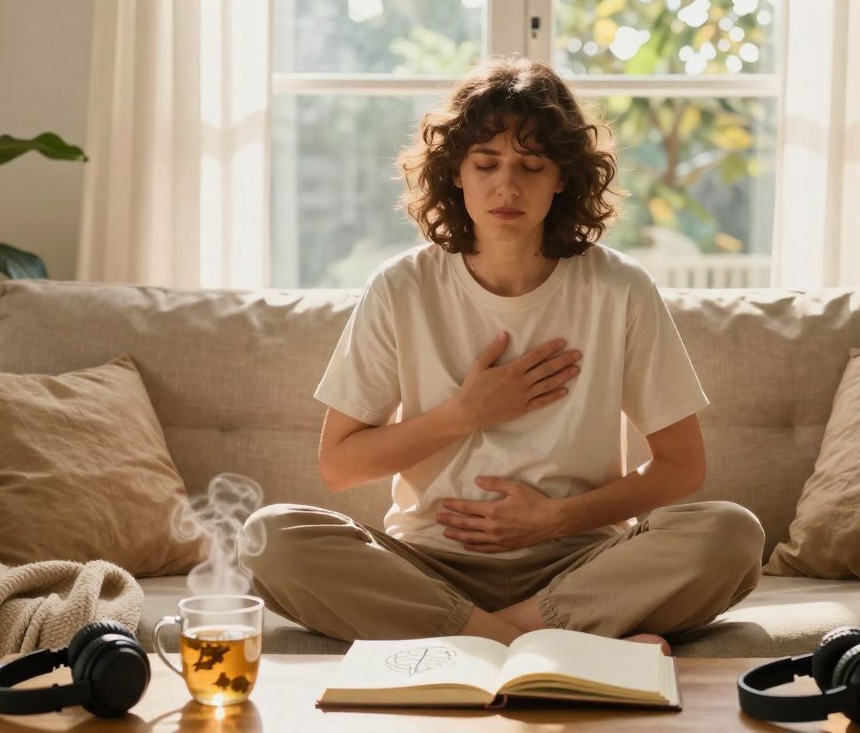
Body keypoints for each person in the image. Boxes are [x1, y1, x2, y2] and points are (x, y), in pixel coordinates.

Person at [246, 55, 764, 655]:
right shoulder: (401, 287)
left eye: (531, 165)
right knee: (270, 537)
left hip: (582, 564)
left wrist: (556, 520)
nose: (507, 186)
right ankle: (547, 644)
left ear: (564, 177)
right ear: (456, 174)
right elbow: (340, 465)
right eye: (486, 164)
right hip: (428, 567)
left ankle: (478, 640)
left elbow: (682, 467)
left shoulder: (619, 289)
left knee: (730, 533)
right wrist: (463, 414)